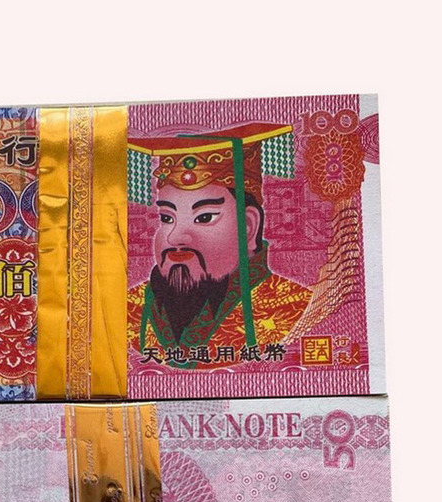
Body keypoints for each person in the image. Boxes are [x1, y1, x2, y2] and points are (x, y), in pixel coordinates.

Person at [128, 126, 311, 368]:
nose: (175, 237)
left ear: (248, 226)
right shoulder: (130, 307)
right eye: (167, 218)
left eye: (204, 217)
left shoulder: (299, 309)